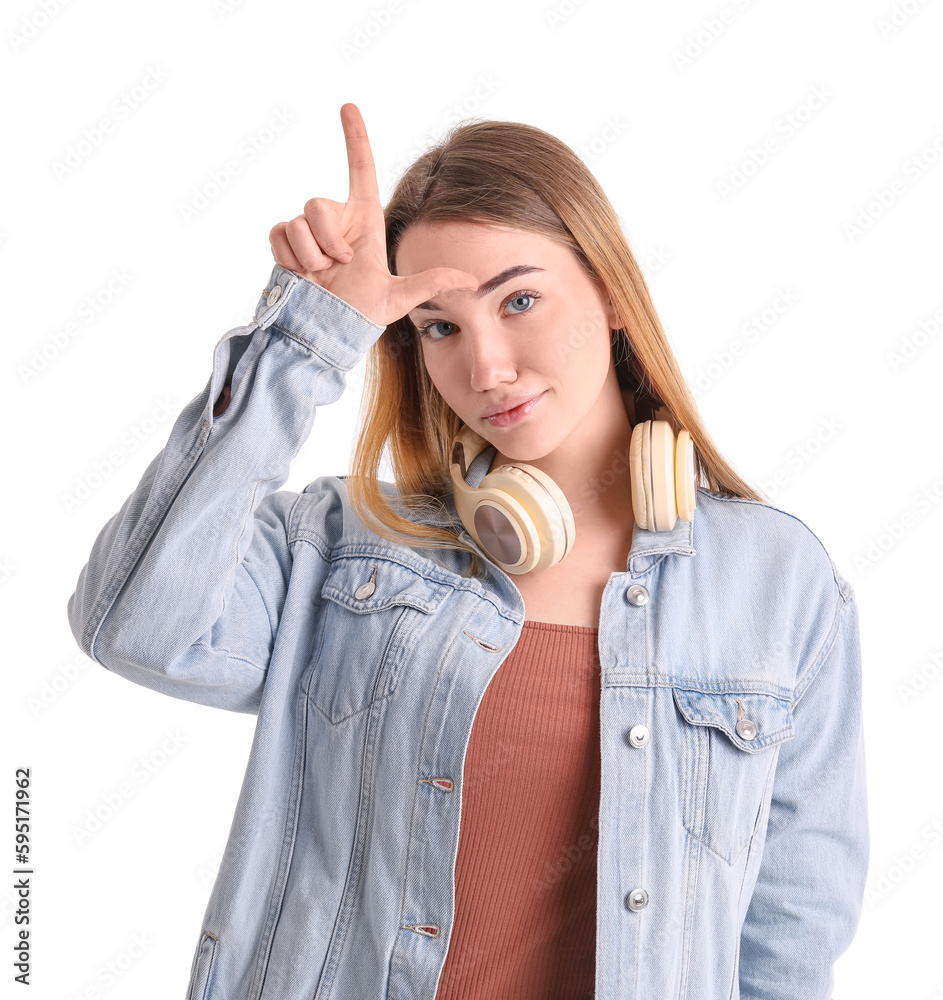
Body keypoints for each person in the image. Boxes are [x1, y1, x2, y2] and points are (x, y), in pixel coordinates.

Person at [67, 102, 868, 1000]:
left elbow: (790, 935)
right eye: (438, 327)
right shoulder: (342, 546)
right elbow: (133, 624)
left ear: (608, 290)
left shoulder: (777, 583)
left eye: (518, 300)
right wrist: (309, 334)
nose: (485, 367)